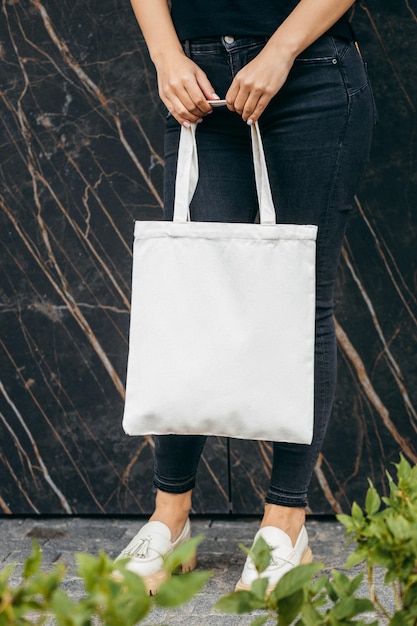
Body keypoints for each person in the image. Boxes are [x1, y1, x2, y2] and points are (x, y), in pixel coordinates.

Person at [119, 0, 375, 595]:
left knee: (304, 299)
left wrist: (281, 49)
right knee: (194, 302)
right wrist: (165, 54)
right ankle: (170, 518)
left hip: (313, 69)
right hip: (197, 73)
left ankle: (285, 526)